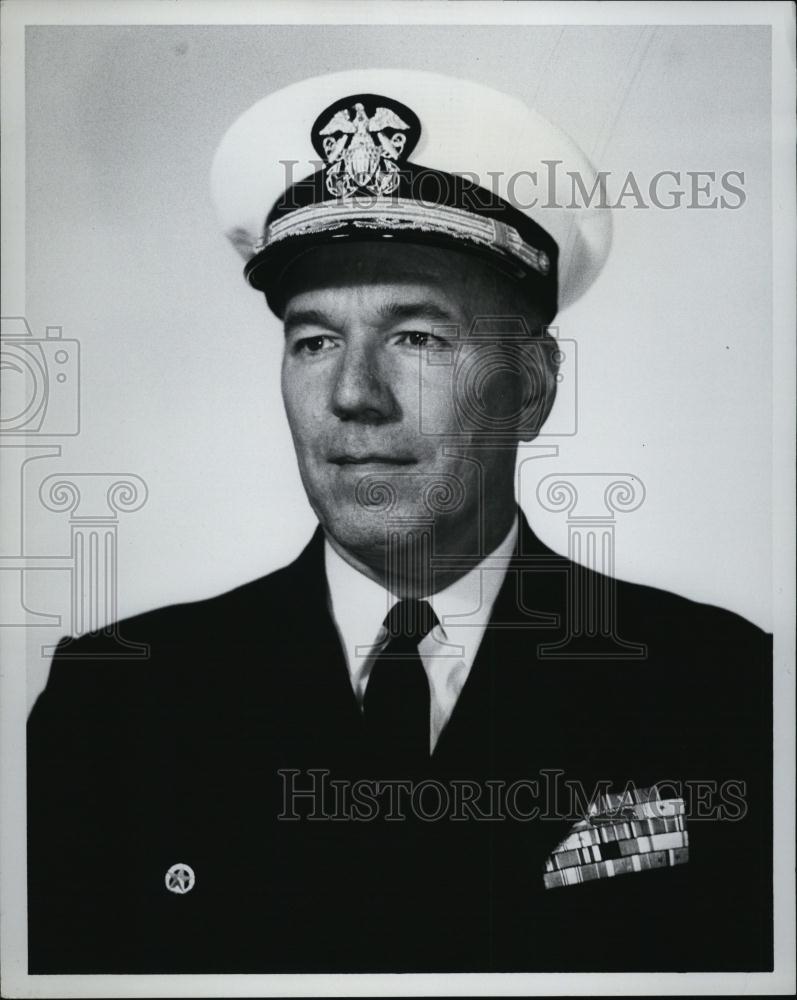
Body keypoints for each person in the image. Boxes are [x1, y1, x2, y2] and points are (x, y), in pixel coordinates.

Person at [27, 69, 772, 974]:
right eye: (315, 340)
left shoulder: (726, 694)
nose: (352, 397)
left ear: (529, 388)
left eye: (417, 337)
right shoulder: (115, 706)